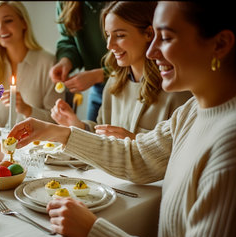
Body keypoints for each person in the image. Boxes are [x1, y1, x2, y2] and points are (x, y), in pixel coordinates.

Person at [8, 1, 236, 237]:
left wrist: (93, 231)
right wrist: (55, 132)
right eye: (153, 35)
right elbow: (137, 156)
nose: (151, 51)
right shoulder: (192, 111)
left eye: (166, 38)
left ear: (220, 44)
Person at [51, 1, 191, 140]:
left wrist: (133, 140)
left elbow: (178, 150)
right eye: (108, 35)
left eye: (120, 35)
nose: (109, 45)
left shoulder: (175, 90)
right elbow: (102, 135)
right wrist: (78, 125)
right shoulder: (113, 84)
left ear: (148, 33)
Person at [0, 1, 64, 128]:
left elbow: (58, 122)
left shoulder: (48, 63)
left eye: (8, 21)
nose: (1, 28)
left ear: (24, 23)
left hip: (36, 145)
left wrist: (27, 110)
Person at [49, 1, 109, 122]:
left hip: (132, 85)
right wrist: (66, 60)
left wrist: (100, 75)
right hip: (98, 89)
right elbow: (68, 39)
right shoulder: (64, 3)